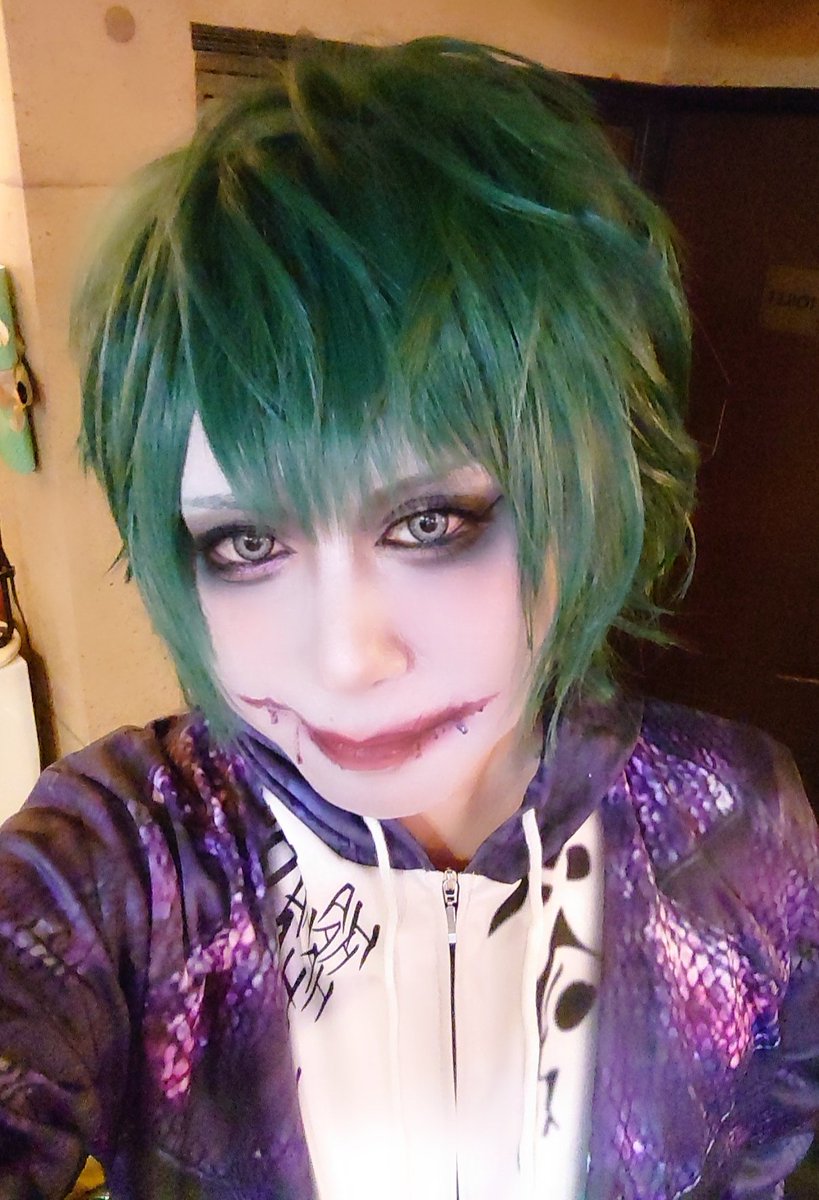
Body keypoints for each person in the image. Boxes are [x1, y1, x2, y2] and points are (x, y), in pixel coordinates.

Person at [1, 35, 818, 1200]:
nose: (344, 656)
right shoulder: (135, 865)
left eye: (431, 522)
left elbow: (767, 1142)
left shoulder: (734, 823)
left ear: (586, 490)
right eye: (247, 544)